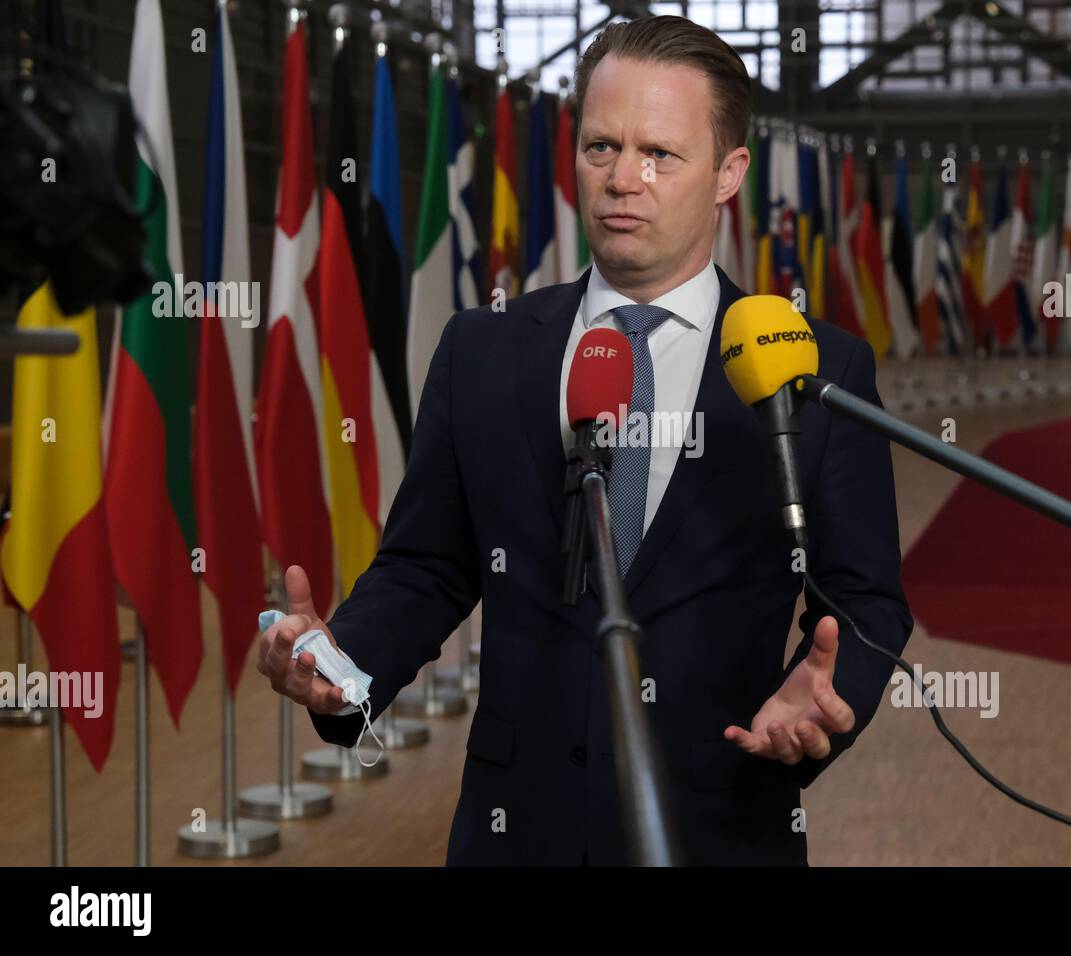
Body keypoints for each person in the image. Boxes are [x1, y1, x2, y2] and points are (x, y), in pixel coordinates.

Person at [256, 14, 911, 865]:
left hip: (722, 824)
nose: (622, 179)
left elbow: (865, 598)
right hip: (516, 830)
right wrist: (343, 665)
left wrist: (824, 697)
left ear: (728, 172)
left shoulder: (819, 368)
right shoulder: (481, 350)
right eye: (601, 147)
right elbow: (427, 567)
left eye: (659, 154)